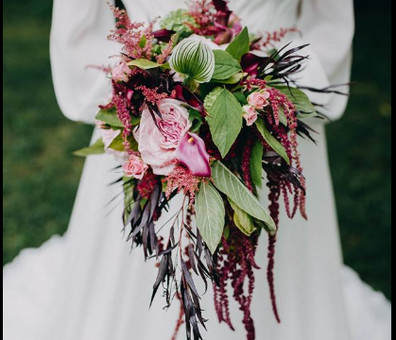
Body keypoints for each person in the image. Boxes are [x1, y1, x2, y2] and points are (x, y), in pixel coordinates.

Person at [3, 0, 391, 339]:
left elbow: (330, 22)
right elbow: (79, 27)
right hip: (145, 106)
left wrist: (274, 100)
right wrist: (133, 101)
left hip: (274, 114)